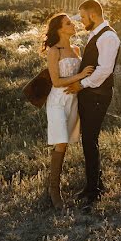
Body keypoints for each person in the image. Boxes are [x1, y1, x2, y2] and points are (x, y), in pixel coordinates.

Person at [64, 0, 120, 209]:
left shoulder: (108, 37)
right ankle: (95, 184)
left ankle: (93, 191)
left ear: (94, 15)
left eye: (83, 17)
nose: (81, 21)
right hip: (90, 94)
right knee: (89, 139)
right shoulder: (96, 34)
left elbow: (105, 70)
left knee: (89, 139)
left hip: (97, 94)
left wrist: (82, 84)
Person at [39, 13, 94, 209]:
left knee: (64, 144)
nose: (73, 25)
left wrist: (80, 81)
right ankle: (55, 192)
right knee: (61, 141)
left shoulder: (77, 49)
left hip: (73, 101)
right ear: (60, 28)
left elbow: (80, 79)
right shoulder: (55, 51)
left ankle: (53, 186)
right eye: (68, 23)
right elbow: (56, 81)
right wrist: (79, 76)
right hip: (57, 101)